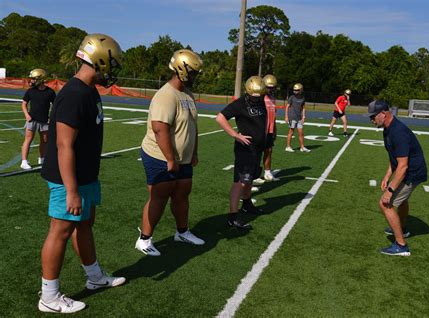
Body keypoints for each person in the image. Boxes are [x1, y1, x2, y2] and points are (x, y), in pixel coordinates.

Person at [39, 34, 126, 313]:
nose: (111, 72)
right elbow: (64, 145)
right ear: (99, 59)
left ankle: (95, 278)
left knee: (85, 224)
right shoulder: (75, 94)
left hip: (85, 175)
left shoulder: (89, 91)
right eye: (110, 65)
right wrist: (72, 189)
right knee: (60, 231)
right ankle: (49, 296)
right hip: (69, 179)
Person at [135, 49, 205, 256]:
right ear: (181, 69)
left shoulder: (187, 94)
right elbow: (159, 128)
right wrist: (170, 158)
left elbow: (193, 126)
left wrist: (193, 152)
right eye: (192, 72)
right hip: (160, 156)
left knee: (182, 194)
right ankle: (144, 239)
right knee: (159, 196)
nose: (194, 76)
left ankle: (182, 232)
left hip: (182, 158)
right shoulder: (166, 95)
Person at [368, 100, 428, 256]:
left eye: (373, 116)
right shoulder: (387, 129)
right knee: (402, 200)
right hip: (410, 170)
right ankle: (403, 228)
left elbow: (403, 166)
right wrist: (387, 176)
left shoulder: (397, 132)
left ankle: (401, 245)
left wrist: (390, 190)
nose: (371, 120)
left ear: (383, 113)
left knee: (384, 203)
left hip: (412, 172)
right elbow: (394, 157)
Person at [216, 76, 267, 229]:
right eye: (254, 97)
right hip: (245, 150)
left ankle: (247, 204)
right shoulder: (240, 104)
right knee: (240, 181)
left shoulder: (262, 101)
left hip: (257, 148)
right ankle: (232, 217)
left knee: (250, 178)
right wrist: (235, 135)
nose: (257, 100)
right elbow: (220, 118)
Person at [20, 68, 56, 170]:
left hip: (44, 121)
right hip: (32, 120)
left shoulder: (50, 92)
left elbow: (55, 105)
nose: (31, 81)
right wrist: (27, 115)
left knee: (44, 140)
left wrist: (51, 117)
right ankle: (24, 161)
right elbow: (24, 104)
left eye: (33, 79)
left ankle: (42, 158)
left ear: (40, 79)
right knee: (28, 140)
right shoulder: (30, 91)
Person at [262, 74, 279, 182]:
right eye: (268, 87)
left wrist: (275, 130)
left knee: (269, 150)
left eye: (272, 87)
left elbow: (274, 116)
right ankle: (253, 175)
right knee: (256, 153)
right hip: (260, 130)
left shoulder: (273, 98)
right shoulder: (260, 98)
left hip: (270, 129)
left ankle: (267, 172)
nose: (270, 89)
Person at [285, 83, 310, 152]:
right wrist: (286, 117)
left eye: (297, 90)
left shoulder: (303, 98)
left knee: (301, 132)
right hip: (292, 117)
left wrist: (303, 117)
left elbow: (303, 108)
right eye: (294, 90)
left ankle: (302, 147)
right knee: (291, 132)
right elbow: (287, 107)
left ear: (301, 90)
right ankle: (288, 146)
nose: (295, 91)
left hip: (299, 118)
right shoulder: (291, 97)